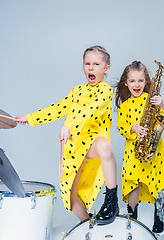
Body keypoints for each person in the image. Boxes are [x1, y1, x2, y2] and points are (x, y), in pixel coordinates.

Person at [14, 45, 119, 225]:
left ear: (106, 68)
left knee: (104, 146)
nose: (91, 68)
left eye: (96, 64)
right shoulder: (77, 91)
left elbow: (90, 111)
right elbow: (57, 109)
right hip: (72, 148)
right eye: (87, 64)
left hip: (92, 143)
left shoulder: (105, 91)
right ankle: (89, 225)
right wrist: (30, 118)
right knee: (71, 200)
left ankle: (111, 201)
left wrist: (68, 126)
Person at [115, 60, 164, 233]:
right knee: (133, 182)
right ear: (126, 82)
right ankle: (132, 215)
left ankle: (159, 216)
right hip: (134, 151)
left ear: (147, 81)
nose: (137, 85)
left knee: (157, 182)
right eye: (132, 81)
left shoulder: (152, 100)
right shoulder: (124, 106)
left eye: (140, 80)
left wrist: (161, 105)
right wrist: (133, 128)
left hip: (154, 150)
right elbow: (121, 127)